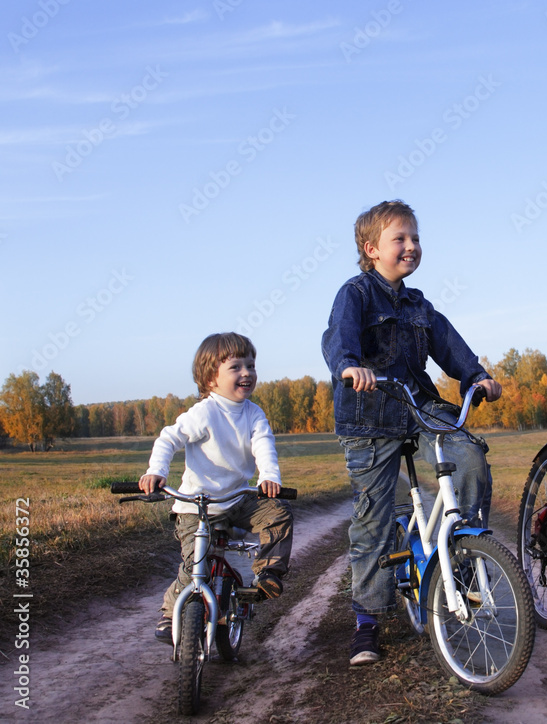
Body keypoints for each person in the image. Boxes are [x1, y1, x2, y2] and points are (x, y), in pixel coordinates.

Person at [321, 200, 501, 666]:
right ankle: (367, 621)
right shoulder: (356, 294)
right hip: (369, 416)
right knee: (373, 520)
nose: (411, 246)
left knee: (468, 459)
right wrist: (349, 367)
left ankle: (457, 562)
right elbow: (337, 338)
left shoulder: (420, 305)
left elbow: (448, 344)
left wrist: (475, 375)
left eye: (415, 238)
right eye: (399, 238)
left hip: (417, 405)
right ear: (371, 249)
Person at [139, 332, 293, 643]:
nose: (247, 373)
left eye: (251, 365)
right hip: (197, 505)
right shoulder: (204, 412)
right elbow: (169, 439)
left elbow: (264, 445)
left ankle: (267, 575)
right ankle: (171, 613)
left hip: (237, 498)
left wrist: (269, 478)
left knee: (278, 514)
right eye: (235, 367)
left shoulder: (254, 413)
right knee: (197, 563)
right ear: (211, 379)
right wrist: (155, 472)